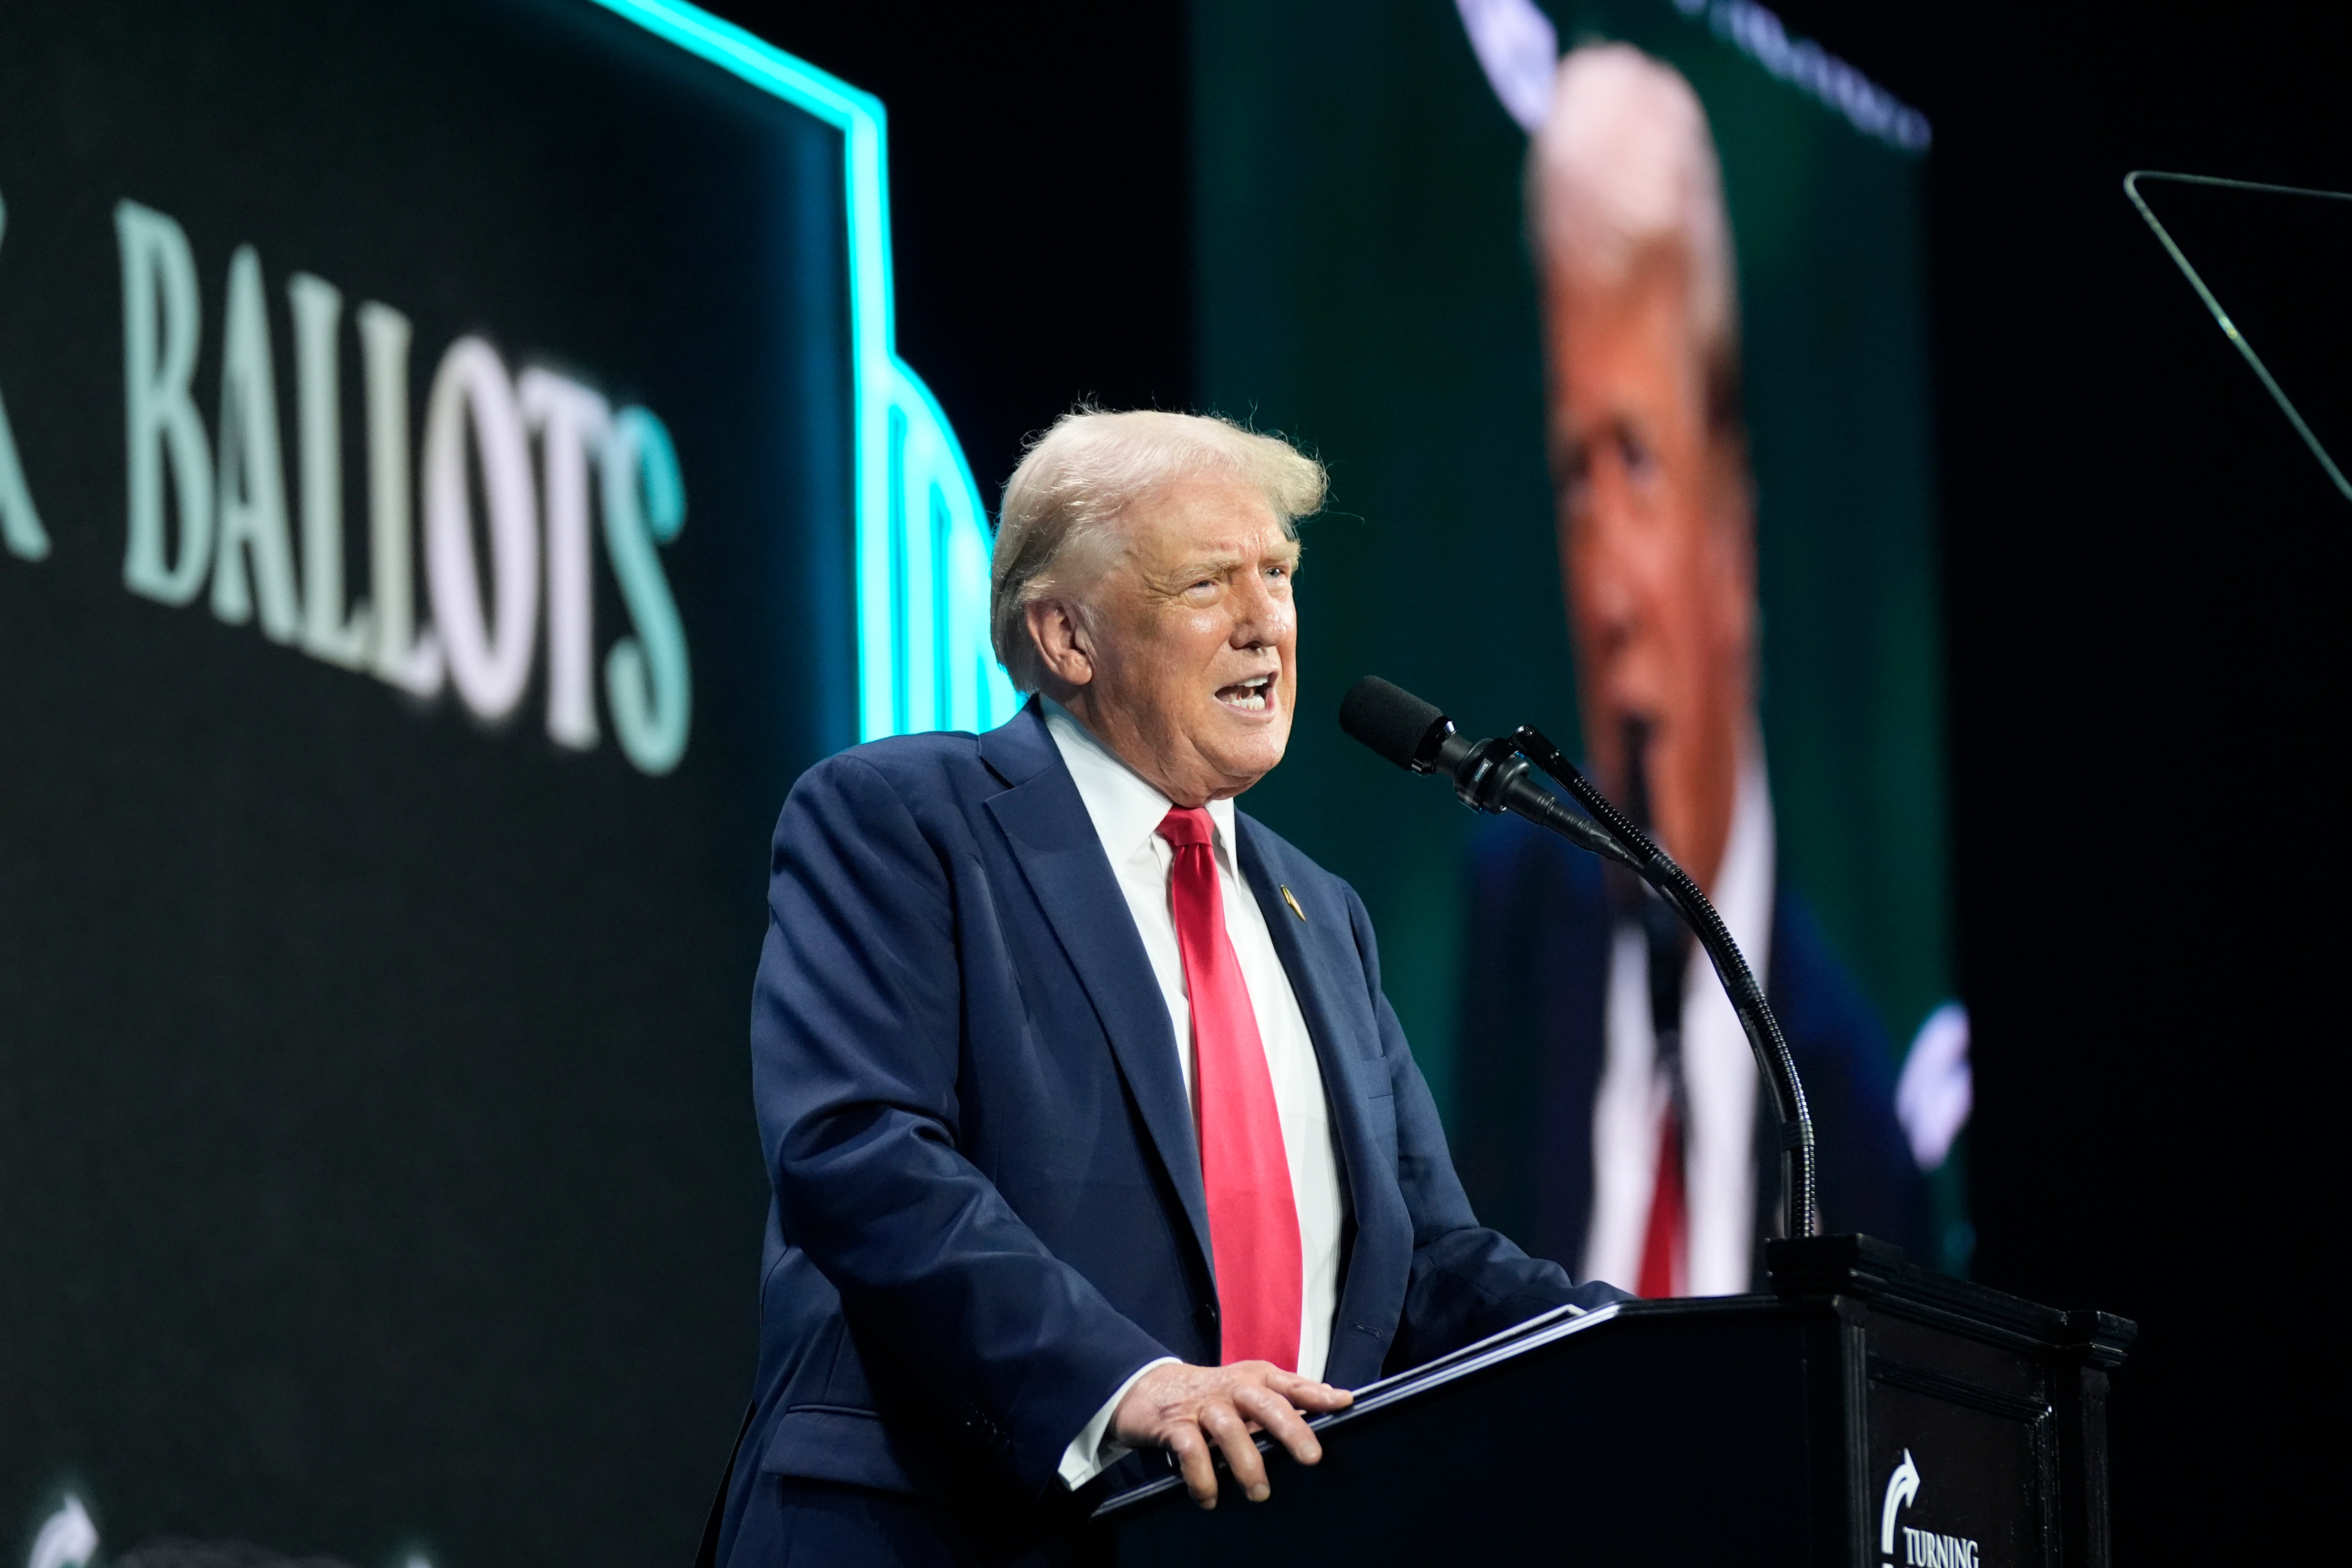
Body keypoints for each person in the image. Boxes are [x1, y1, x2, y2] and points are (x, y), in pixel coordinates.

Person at [716, 409, 1623, 1568]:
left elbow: (1430, 1267)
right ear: (1066, 636)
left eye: (1280, 575)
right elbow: (860, 1151)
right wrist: (1126, 1384)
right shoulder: (904, 821)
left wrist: (1642, 1356)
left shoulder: (1321, 914)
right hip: (941, 1533)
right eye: (1206, 583)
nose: (1266, 624)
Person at [1453, 45, 1926, 1297]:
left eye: (1640, 463)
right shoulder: (1510, 936)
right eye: (1574, 481)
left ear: (1733, 526)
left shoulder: (1856, 1101)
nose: (1607, 592)